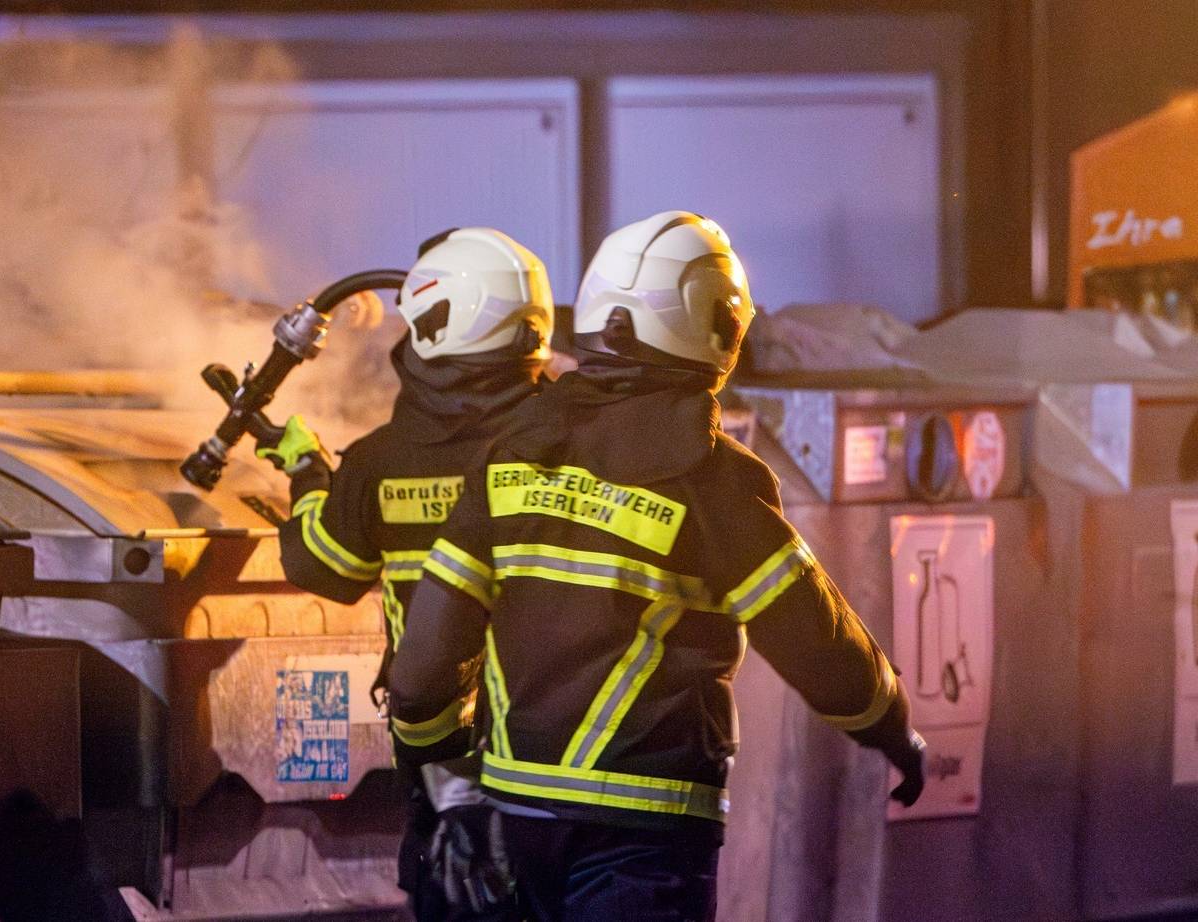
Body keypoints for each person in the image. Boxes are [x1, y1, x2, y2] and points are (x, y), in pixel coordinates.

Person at [385, 211, 927, 921]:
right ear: (716, 328)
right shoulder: (714, 479)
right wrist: (891, 726)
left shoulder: (509, 455)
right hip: (647, 832)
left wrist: (442, 786)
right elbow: (816, 641)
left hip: (511, 823)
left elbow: (424, 667)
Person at [256, 226, 556, 918]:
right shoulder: (566, 440)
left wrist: (307, 474)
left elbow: (324, 565)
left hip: (441, 753)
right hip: (562, 755)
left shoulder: (380, 461)